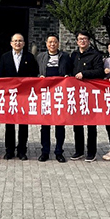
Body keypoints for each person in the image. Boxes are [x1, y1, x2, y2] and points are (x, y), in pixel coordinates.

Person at [0, 33, 39, 160]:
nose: (17, 43)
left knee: (23, 124)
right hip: (10, 96)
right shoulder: (5, 57)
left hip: (24, 95)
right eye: (15, 41)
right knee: (9, 124)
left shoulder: (29, 57)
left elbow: (34, 74)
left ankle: (22, 151)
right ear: (11, 43)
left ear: (24, 43)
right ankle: (9, 150)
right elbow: (1, 74)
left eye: (20, 41)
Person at [36, 33, 71, 163]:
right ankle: (45, 151)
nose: (52, 44)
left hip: (59, 95)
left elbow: (71, 71)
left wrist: (68, 76)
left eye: (55, 42)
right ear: (46, 44)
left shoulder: (65, 57)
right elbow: (35, 72)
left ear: (58, 43)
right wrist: (39, 76)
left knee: (59, 124)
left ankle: (59, 151)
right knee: (45, 125)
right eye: (50, 42)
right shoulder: (40, 57)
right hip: (45, 95)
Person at [70, 31, 105, 162]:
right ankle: (79, 151)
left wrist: (84, 74)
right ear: (77, 41)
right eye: (80, 39)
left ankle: (91, 152)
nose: (82, 41)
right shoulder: (74, 55)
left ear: (89, 41)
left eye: (85, 39)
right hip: (76, 93)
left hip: (90, 93)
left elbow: (100, 71)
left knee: (91, 124)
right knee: (77, 124)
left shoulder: (95, 55)